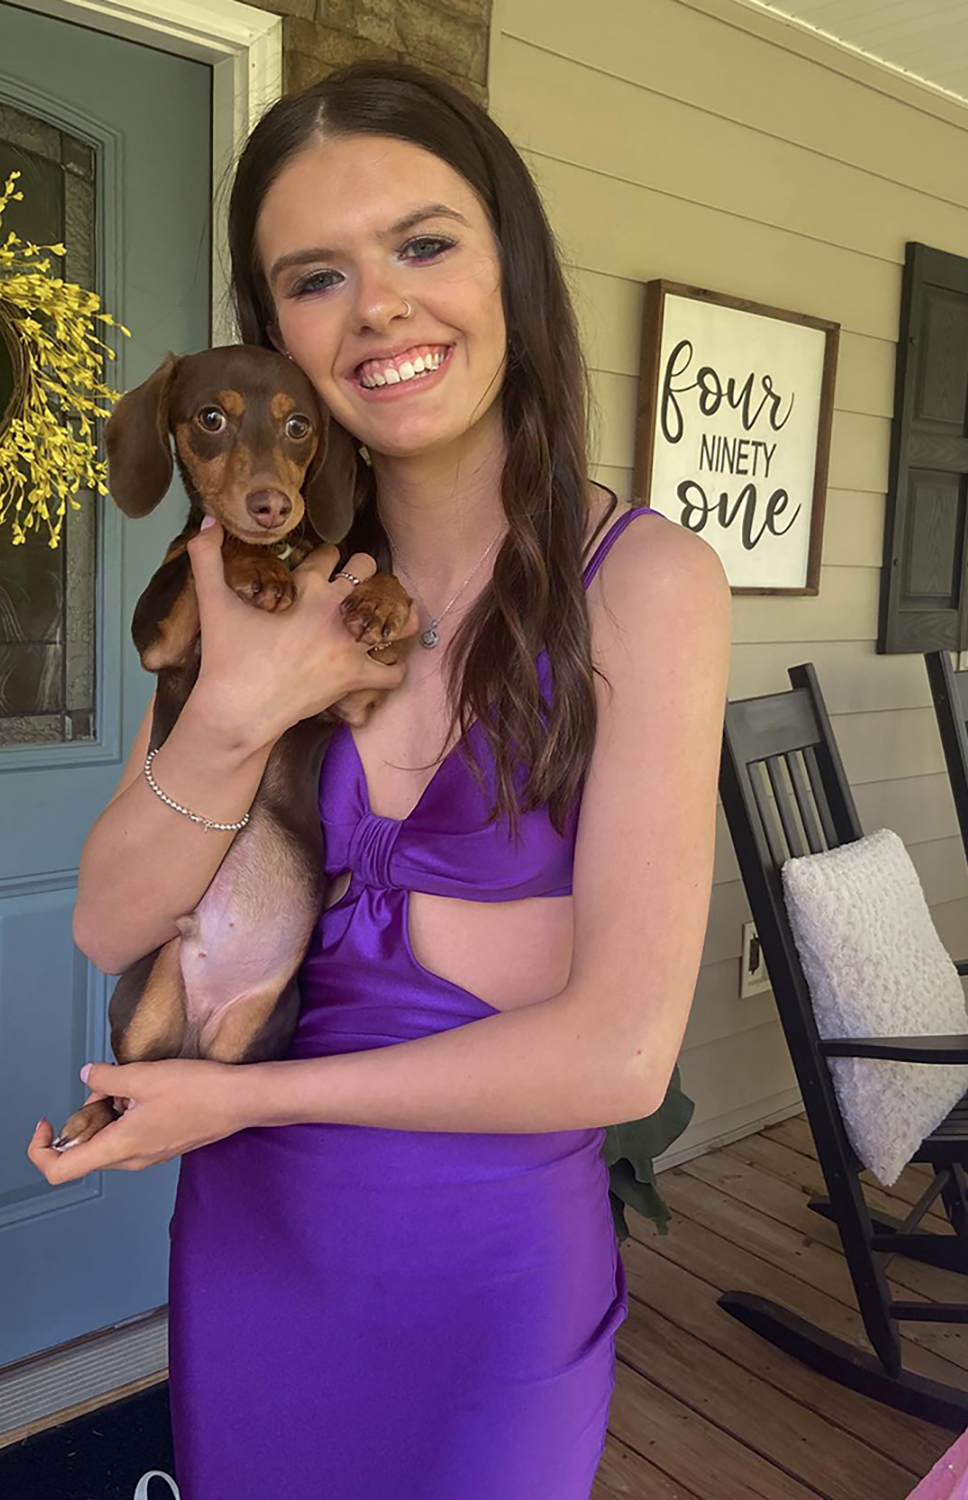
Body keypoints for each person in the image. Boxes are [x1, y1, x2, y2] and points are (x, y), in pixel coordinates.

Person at [29, 60, 731, 1499]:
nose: (380, 309)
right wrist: (237, 710)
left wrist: (243, 1104)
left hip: (484, 1289)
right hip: (253, 1256)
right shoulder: (265, 582)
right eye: (315, 276)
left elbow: (620, 1056)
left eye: (424, 244)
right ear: (271, 327)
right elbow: (109, 923)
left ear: (508, 265)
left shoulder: (644, 587)